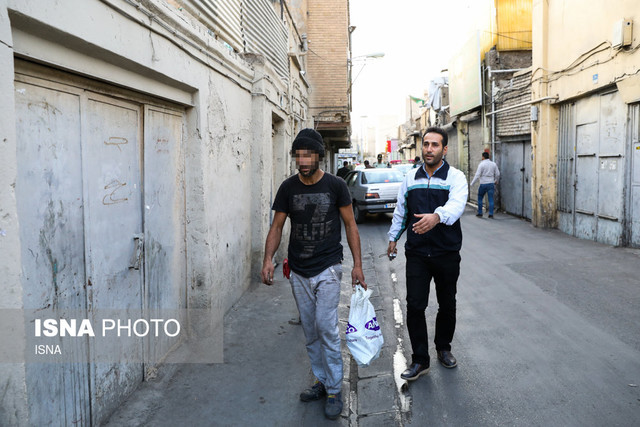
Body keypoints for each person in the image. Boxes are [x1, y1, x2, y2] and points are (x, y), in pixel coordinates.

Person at [261, 128, 367, 420]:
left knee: (326, 327)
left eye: (308, 154)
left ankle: (335, 388)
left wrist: (357, 265)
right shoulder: (288, 188)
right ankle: (322, 380)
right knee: (310, 332)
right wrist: (268, 259)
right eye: (298, 154)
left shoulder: (335, 186)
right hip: (299, 270)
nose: (303, 160)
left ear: (319, 155)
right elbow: (277, 226)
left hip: (328, 267)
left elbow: (351, 226)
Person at [386, 126, 468, 381]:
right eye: (426, 144)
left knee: (447, 304)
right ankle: (420, 360)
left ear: (444, 149)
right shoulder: (410, 178)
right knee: (415, 306)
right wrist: (393, 238)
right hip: (418, 254)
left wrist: (437, 217)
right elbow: (401, 211)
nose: (429, 149)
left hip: (446, 253)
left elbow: (457, 205)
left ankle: (443, 348)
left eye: (435, 145)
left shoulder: (456, 177)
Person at [470, 151, 500, 218]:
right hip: (491, 183)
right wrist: (496, 180)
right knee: (491, 199)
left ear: (483, 157)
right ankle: (491, 214)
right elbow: (498, 174)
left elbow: (477, 175)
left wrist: (472, 184)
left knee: (480, 198)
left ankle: (480, 213)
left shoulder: (481, 164)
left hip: (483, 183)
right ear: (488, 157)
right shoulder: (493, 164)